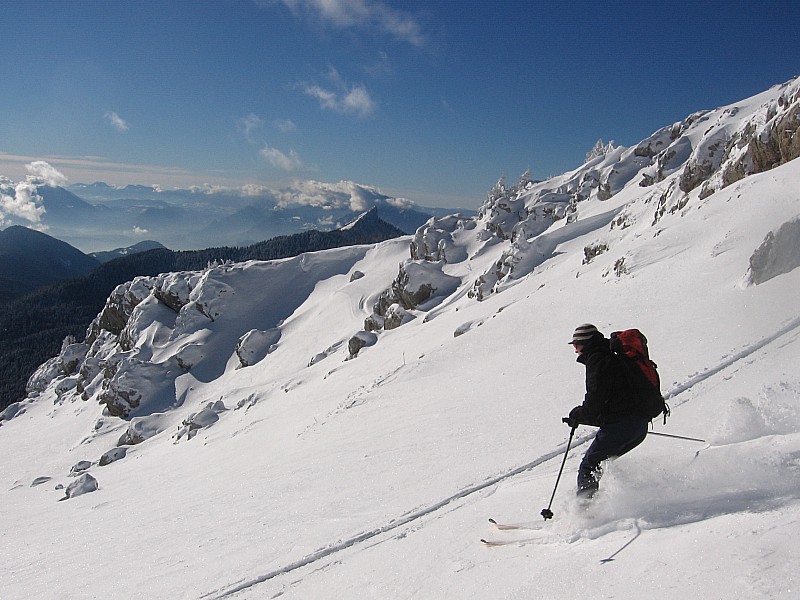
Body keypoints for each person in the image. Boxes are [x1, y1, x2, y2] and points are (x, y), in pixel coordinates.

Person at [564, 323, 650, 498]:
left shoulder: (598, 360)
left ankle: (585, 514)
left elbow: (596, 396)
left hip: (622, 426)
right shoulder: (611, 356)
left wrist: (580, 414)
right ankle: (621, 500)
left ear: (585, 343)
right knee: (600, 463)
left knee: (589, 466)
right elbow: (612, 402)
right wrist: (584, 416)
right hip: (638, 425)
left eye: (576, 344)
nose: (575, 349)